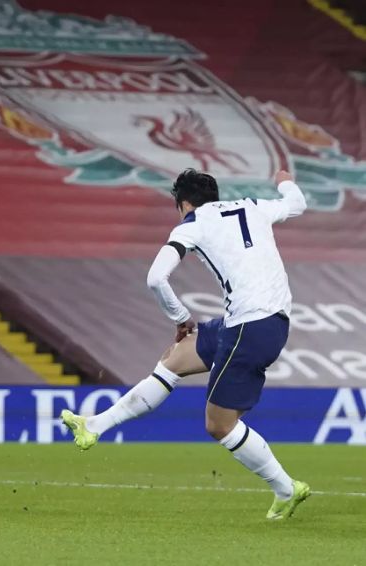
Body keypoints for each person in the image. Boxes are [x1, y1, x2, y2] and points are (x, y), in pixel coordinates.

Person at [60, 169, 310, 520]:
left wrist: (179, 317)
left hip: (251, 327)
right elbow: (296, 203)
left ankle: (286, 488)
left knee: (218, 425)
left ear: (183, 204)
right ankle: (95, 425)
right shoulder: (252, 206)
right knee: (176, 357)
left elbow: (155, 278)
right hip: (253, 321)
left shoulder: (191, 225)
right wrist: (284, 179)